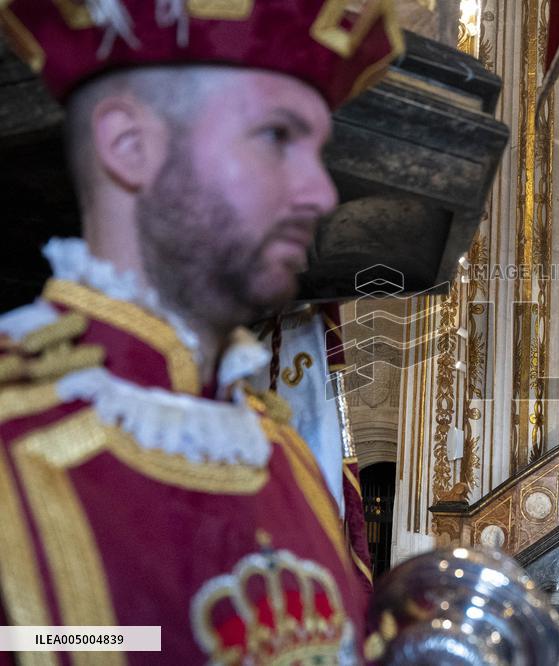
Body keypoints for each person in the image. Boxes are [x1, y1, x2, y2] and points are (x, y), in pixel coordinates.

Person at [0, 2, 402, 663]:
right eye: (276, 136)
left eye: (318, 150)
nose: (321, 192)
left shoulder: (284, 457)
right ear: (130, 146)